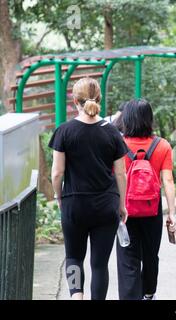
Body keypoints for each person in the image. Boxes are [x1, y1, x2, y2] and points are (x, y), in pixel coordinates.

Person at [49, 77, 128, 300]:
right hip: (106, 205)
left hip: (75, 204)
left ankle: (76, 295)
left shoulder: (64, 131)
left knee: (74, 257)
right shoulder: (112, 132)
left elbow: (57, 173)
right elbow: (121, 173)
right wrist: (121, 204)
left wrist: (60, 198)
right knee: (100, 265)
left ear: (75, 101)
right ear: (99, 99)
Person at [117, 98, 176, 300]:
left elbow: (114, 178)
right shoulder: (162, 146)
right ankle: (149, 294)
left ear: (127, 119)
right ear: (149, 119)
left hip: (125, 208)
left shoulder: (118, 144)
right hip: (153, 209)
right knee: (151, 255)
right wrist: (172, 213)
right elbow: (167, 180)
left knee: (128, 257)